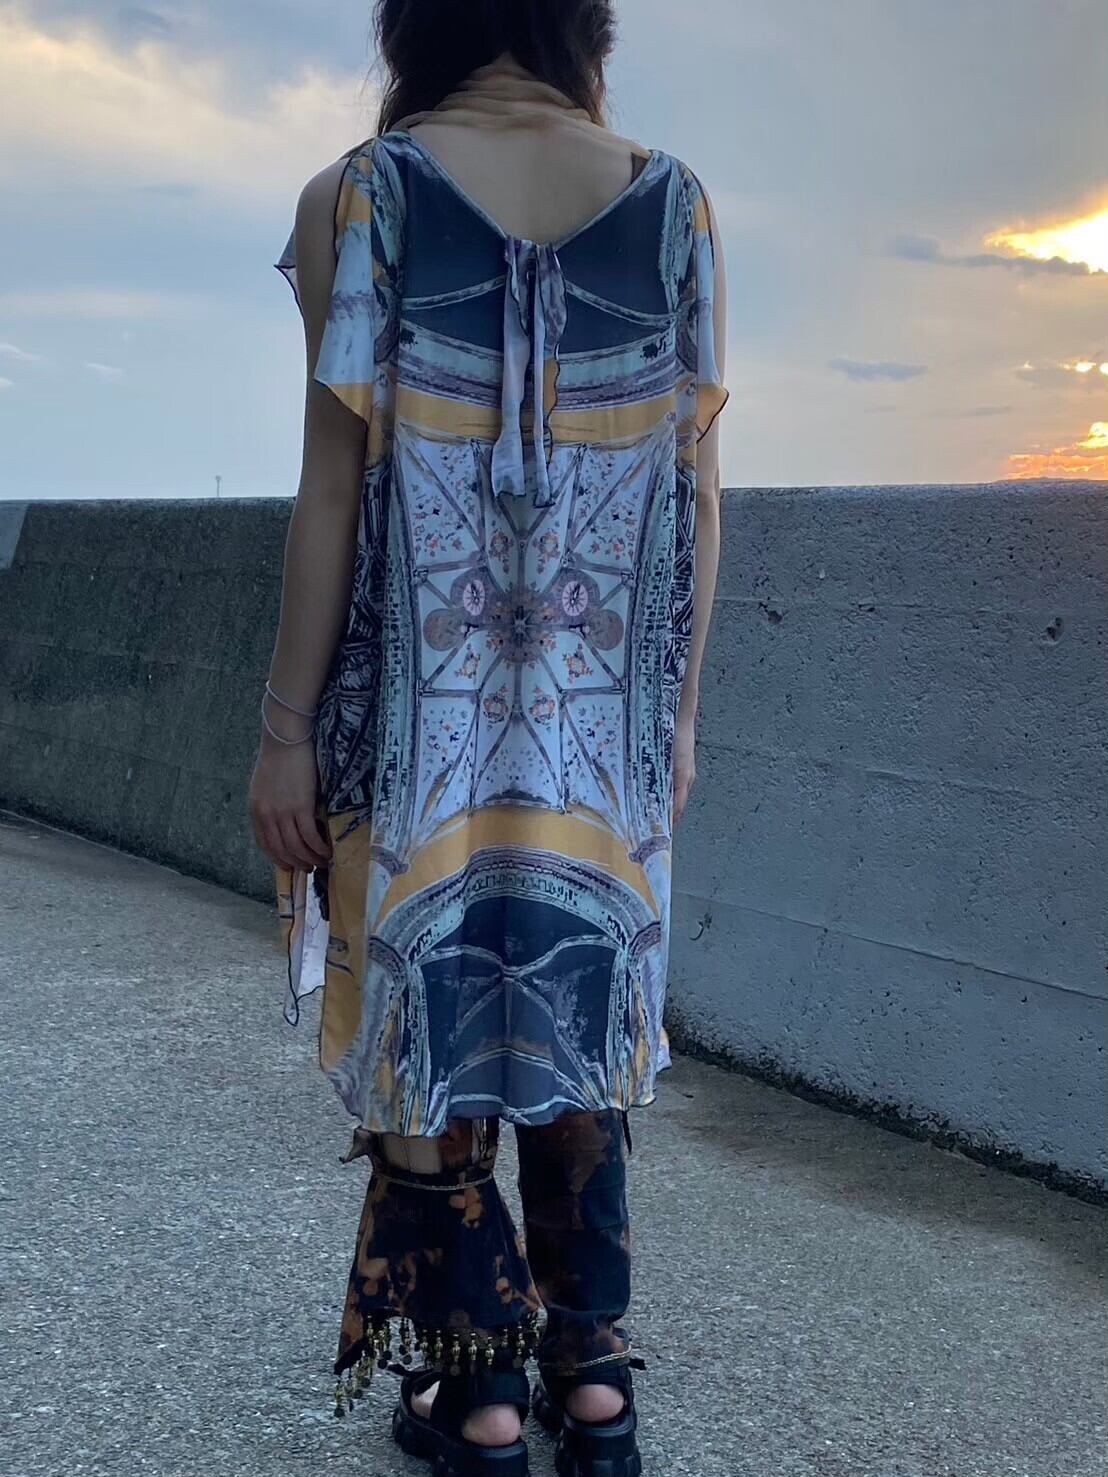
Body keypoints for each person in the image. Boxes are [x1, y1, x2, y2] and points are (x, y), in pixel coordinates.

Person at [249, 3, 728, 1473]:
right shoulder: (676, 205)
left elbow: (335, 491)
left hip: (421, 731)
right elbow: (698, 499)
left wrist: (284, 730)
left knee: (430, 1032)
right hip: (603, 735)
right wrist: (676, 720)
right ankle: (594, 1384)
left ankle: (485, 1398)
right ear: (583, 27)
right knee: (580, 1021)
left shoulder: (362, 196)